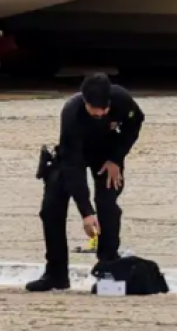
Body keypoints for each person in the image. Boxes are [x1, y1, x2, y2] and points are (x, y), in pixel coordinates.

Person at [27, 73, 145, 292]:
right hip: (74, 155)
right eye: (94, 109)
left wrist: (116, 158)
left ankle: (108, 271)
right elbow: (73, 166)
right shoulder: (72, 113)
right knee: (51, 208)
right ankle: (56, 273)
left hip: (107, 155)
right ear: (85, 102)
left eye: (104, 109)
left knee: (108, 205)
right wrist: (86, 212)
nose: (100, 113)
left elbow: (135, 123)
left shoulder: (122, 100)